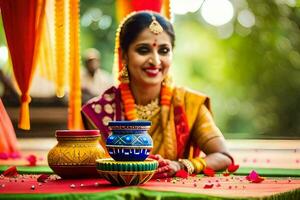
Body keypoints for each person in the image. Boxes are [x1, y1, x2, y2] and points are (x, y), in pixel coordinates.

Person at [81, 11, 232, 178]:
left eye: (164, 50)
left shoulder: (190, 104)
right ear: (124, 55)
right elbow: (90, 166)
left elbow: (224, 156)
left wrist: (181, 165)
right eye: (143, 50)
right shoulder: (99, 111)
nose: (156, 60)